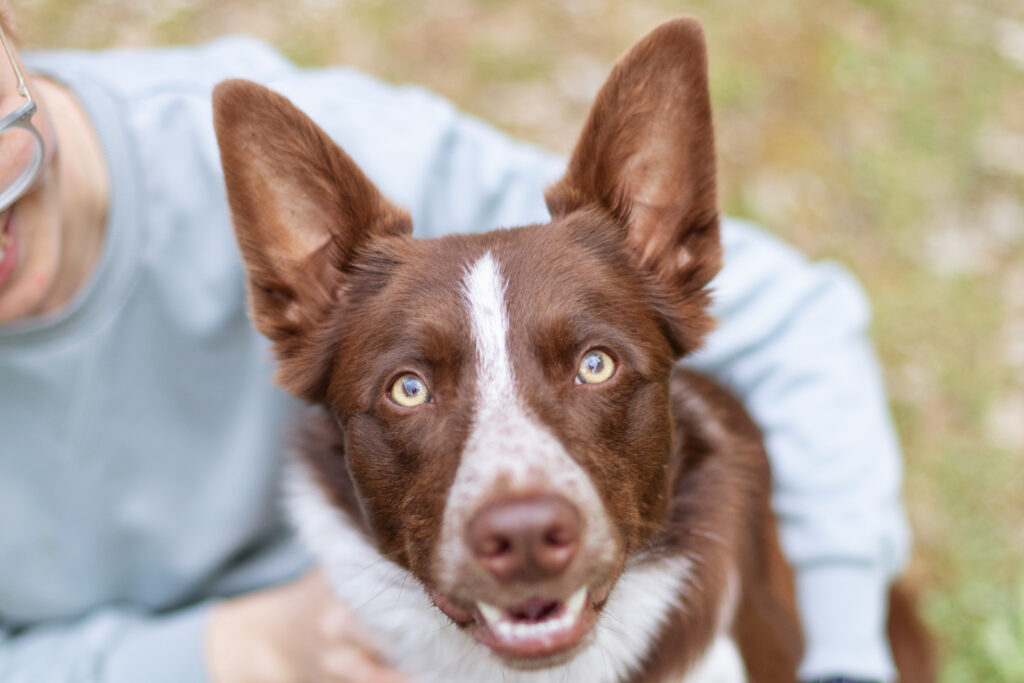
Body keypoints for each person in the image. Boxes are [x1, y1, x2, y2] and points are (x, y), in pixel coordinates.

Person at [0, 3, 908, 682]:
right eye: (407, 387)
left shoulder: (281, 143)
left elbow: (797, 322)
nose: (517, 497)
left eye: (595, 364)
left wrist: (845, 648)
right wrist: (244, 645)